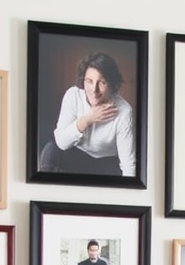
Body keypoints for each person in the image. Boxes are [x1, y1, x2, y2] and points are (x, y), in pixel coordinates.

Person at [40, 51, 136, 179]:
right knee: (50, 149)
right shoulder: (73, 95)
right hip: (76, 154)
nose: (94, 90)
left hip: (106, 163)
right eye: (89, 81)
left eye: (102, 82)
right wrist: (87, 120)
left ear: (112, 84)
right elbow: (61, 142)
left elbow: (128, 163)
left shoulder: (124, 111)